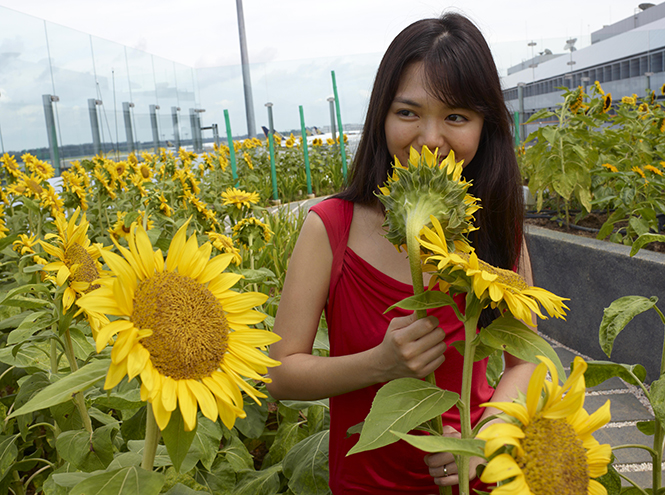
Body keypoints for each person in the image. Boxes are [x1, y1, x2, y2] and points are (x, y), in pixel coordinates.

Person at [266, 12, 536, 494]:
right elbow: (279, 373)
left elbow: (527, 360)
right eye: (408, 112)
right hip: (367, 484)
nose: (430, 139)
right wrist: (381, 363)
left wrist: (490, 435)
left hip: (475, 479)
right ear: (381, 117)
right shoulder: (330, 227)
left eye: (456, 117)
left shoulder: (496, 227)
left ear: (484, 125)